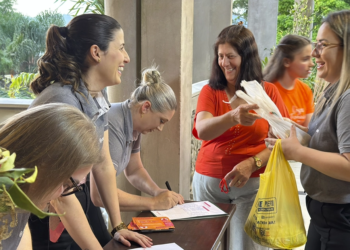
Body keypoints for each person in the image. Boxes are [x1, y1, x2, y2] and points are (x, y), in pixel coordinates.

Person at [28, 14, 152, 249]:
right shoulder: (63, 101)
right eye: (121, 48)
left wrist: (118, 226)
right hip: (47, 206)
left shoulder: (96, 93)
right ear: (96, 52)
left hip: (71, 194)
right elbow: (59, 195)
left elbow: (103, 162)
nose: (126, 58)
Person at [192, 24, 290, 250]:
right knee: (207, 245)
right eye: (220, 56)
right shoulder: (210, 91)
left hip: (251, 185)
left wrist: (252, 163)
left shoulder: (268, 93)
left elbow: (283, 140)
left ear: (246, 57)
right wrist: (233, 116)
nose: (224, 63)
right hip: (209, 184)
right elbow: (203, 129)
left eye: (231, 56)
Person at [265, 10, 350, 250]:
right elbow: (326, 139)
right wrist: (294, 133)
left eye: (322, 45)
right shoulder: (332, 90)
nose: (314, 54)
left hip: (340, 217)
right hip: (323, 212)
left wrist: (298, 152)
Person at [0, 103, 101, 249]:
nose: (61, 194)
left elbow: (20, 236)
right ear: (40, 163)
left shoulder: (19, 192)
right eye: (66, 184)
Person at [92, 67, 184, 211]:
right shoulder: (113, 126)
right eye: (161, 121)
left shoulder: (135, 125)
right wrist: (153, 203)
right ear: (146, 107)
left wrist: (158, 192)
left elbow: (134, 169)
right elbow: (99, 194)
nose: (160, 129)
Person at [264, 34, 315, 126]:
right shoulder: (267, 90)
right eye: (305, 59)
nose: (312, 64)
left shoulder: (305, 90)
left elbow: (309, 131)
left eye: (311, 58)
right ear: (287, 62)